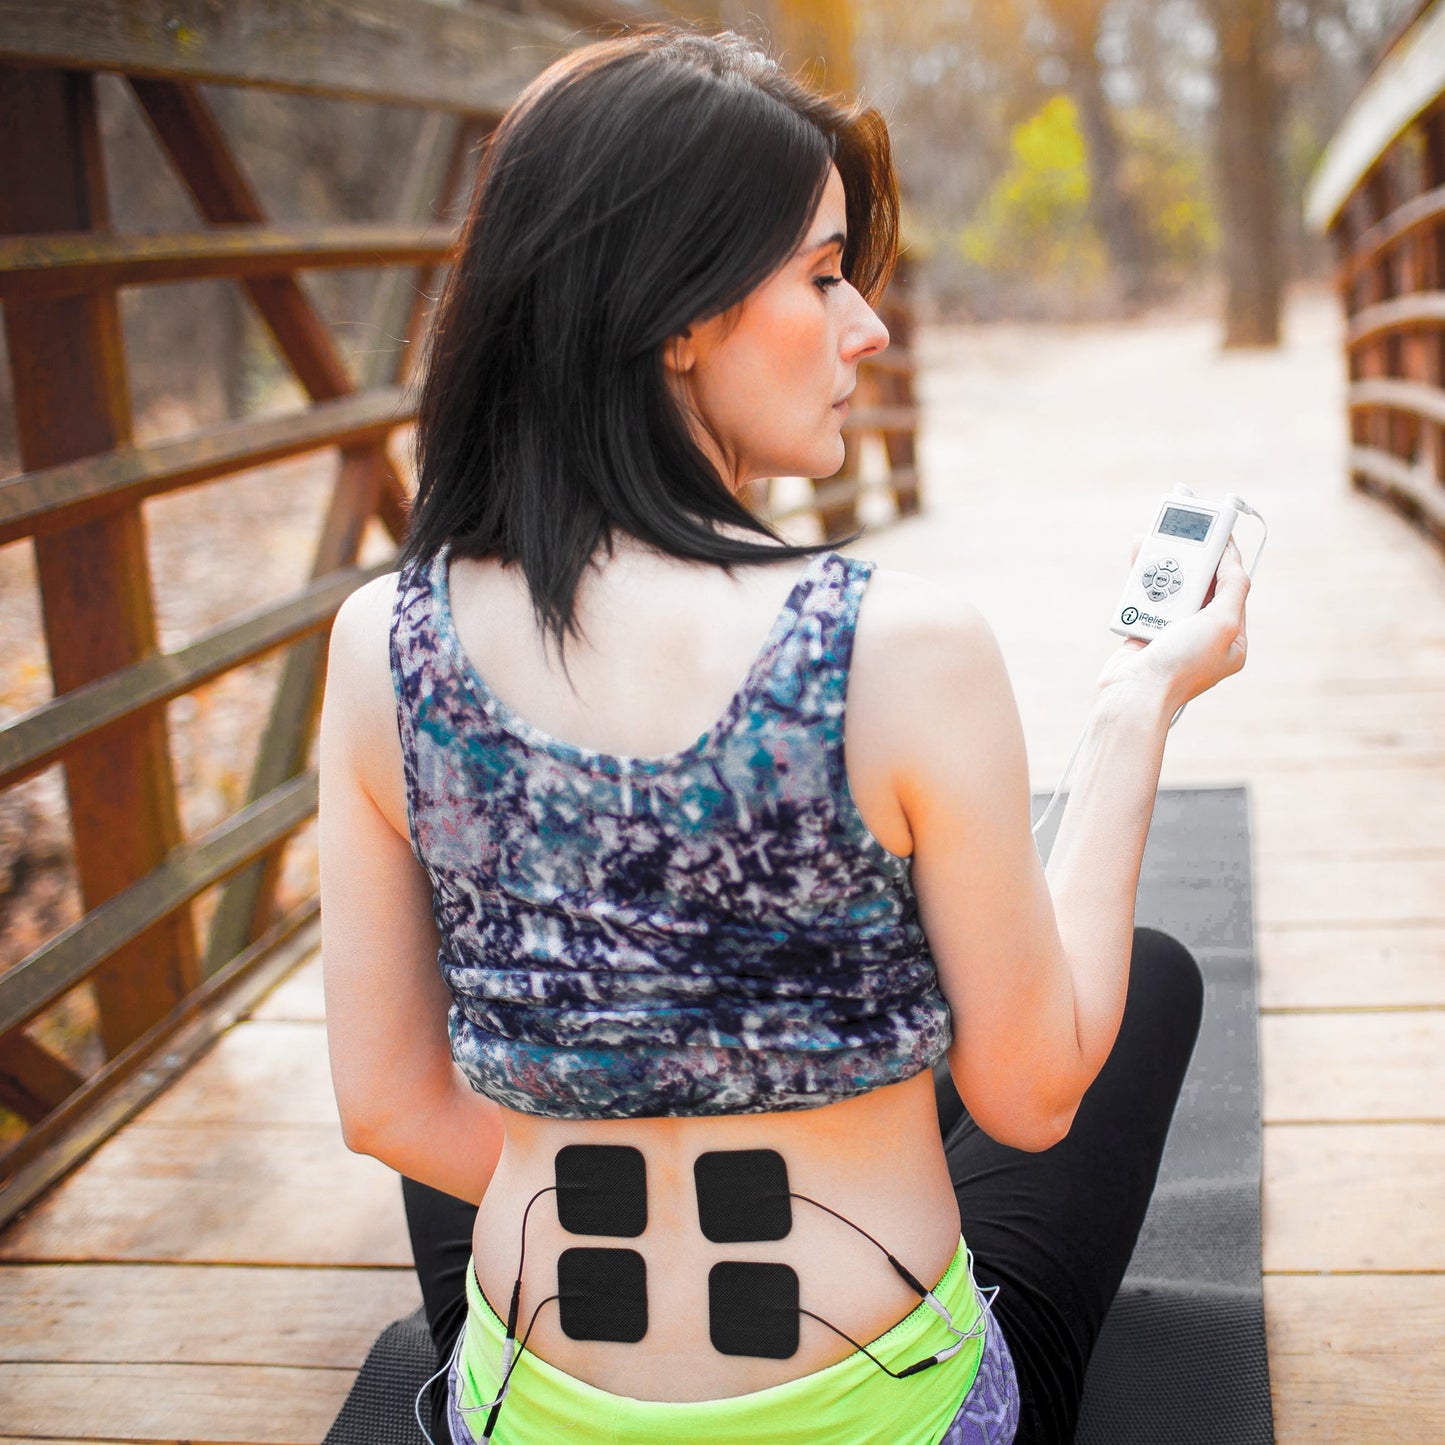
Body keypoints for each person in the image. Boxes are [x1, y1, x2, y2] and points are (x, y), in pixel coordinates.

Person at [318, 25, 1248, 1445]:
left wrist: (616, 1113)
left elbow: (387, 1104)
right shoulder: (897, 642)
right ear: (674, 313)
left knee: (493, 1063)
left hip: (539, 1406)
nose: (864, 326)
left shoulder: (383, 638)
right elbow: (1032, 1090)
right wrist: (1136, 706)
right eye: (820, 275)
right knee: (1146, 985)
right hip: (876, 1416)